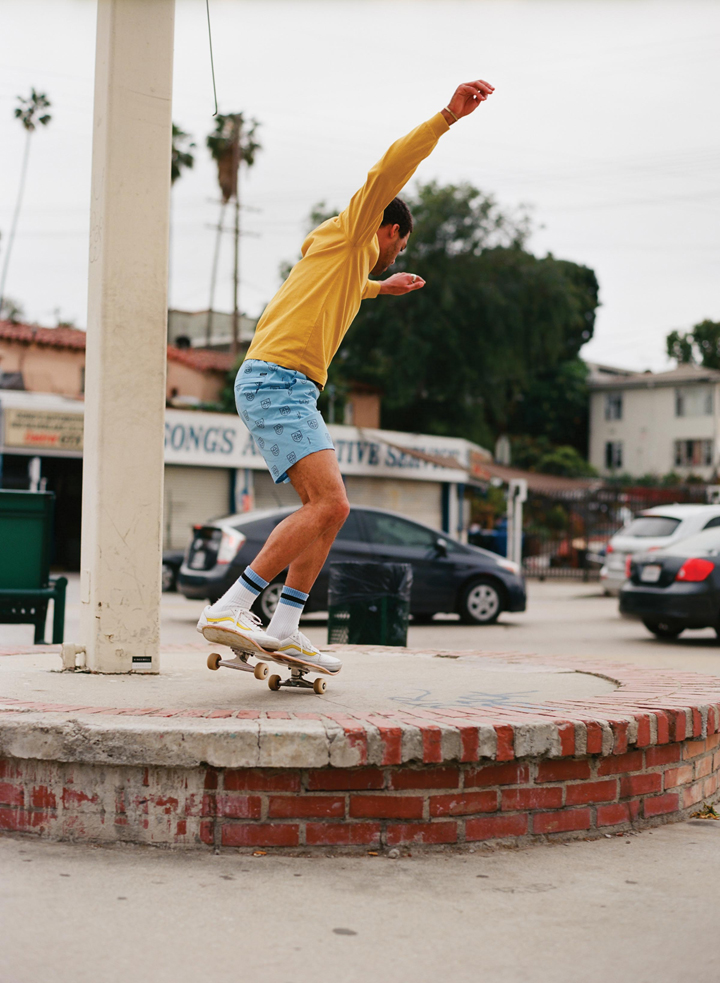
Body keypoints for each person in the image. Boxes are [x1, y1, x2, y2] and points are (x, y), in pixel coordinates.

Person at [198, 78, 495, 673]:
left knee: (329, 508)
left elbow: (345, 288)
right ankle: (233, 605)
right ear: (390, 230)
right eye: (399, 248)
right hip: (278, 381)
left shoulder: (341, 259)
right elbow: (388, 171)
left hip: (284, 384)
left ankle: (285, 626)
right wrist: (446, 117)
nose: (396, 256)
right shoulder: (357, 229)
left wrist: (380, 287)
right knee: (331, 504)